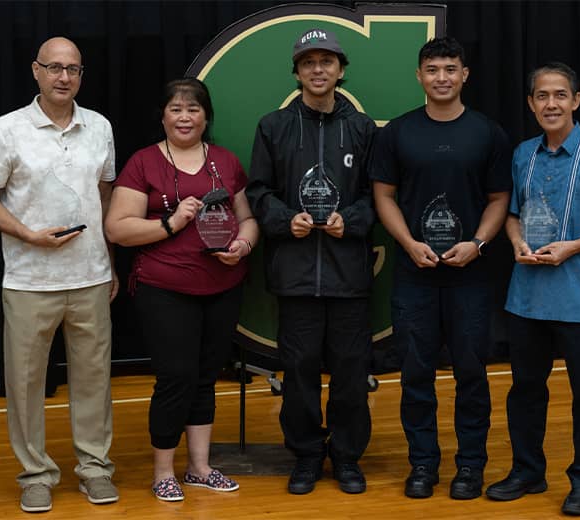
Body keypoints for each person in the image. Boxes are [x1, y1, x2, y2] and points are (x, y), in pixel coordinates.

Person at [0, 37, 119, 513]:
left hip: (91, 276)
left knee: (94, 379)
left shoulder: (99, 127)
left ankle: (95, 469)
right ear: (36, 71)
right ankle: (35, 474)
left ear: (81, 75)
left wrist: (110, 262)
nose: (63, 77)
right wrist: (29, 235)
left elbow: (106, 196)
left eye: (73, 69)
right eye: (54, 67)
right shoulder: (8, 129)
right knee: (27, 383)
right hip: (30, 280)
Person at [486, 62, 580, 516]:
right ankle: (527, 471)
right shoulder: (522, 154)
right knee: (525, 389)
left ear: (575, 101)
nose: (550, 104)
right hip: (527, 293)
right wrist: (515, 242)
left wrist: (573, 247)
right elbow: (513, 213)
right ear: (531, 103)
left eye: (559, 95)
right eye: (541, 96)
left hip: (579, 296)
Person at [370, 36, 512, 500]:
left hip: (470, 274)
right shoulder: (397, 133)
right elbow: (383, 196)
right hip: (416, 273)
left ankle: (470, 466)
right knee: (415, 374)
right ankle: (423, 465)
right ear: (419, 76)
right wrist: (408, 243)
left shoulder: (488, 133)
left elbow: (499, 200)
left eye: (451, 69)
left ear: (465, 74)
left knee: (471, 373)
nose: (442, 78)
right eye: (433, 70)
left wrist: (479, 242)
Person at [104, 78, 258, 502]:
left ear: (206, 116)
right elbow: (117, 228)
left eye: (193, 109)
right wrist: (170, 224)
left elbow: (247, 218)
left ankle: (200, 467)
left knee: (207, 377)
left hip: (223, 285)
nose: (184, 117)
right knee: (176, 378)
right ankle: (163, 472)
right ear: (163, 115)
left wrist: (244, 244)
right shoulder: (143, 163)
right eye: (175, 109)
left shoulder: (225, 161)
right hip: (164, 287)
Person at [246, 27, 377, 495]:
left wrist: (354, 220)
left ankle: (345, 457)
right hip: (296, 274)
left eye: (326, 62)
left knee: (349, 376)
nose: (317, 70)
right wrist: (284, 220)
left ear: (341, 71)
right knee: (298, 374)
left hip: (349, 276)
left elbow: (376, 196)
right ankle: (305, 456)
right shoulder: (274, 126)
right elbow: (257, 191)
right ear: (297, 72)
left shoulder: (363, 129)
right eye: (308, 62)